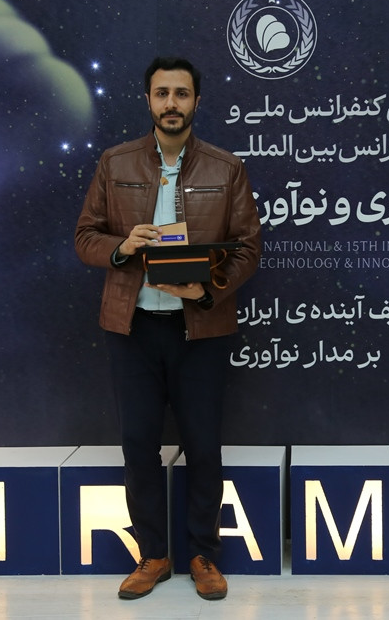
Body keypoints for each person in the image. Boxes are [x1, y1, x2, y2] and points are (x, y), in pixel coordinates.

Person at [74, 56, 261, 600]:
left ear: (196, 101)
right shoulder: (114, 162)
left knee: (203, 447)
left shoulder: (227, 168)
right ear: (148, 100)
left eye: (181, 93)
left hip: (200, 329)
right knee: (138, 447)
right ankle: (153, 554)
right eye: (162, 93)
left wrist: (207, 290)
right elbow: (85, 237)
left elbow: (248, 248)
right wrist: (122, 246)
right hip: (131, 328)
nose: (171, 103)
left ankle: (203, 555)